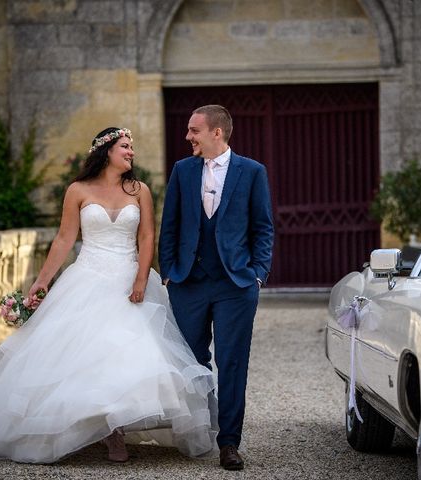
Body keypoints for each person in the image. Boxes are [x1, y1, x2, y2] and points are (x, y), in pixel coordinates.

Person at [0, 127, 218, 464]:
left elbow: (148, 236)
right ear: (105, 151)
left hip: (129, 278)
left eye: (131, 147)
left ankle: (117, 425)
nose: (131, 152)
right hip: (87, 277)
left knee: (130, 353)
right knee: (86, 354)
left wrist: (139, 278)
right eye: (125, 146)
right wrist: (41, 282)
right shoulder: (77, 190)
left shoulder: (139, 190)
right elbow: (64, 240)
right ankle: (106, 432)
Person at [159, 105, 274, 471]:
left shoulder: (252, 172)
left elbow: (263, 227)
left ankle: (229, 443)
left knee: (232, 362)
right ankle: (201, 429)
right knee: (190, 358)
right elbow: (170, 224)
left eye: (194, 130)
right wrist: (168, 273)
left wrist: (257, 273)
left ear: (216, 133)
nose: (188, 137)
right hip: (188, 283)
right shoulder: (182, 171)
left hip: (235, 284)